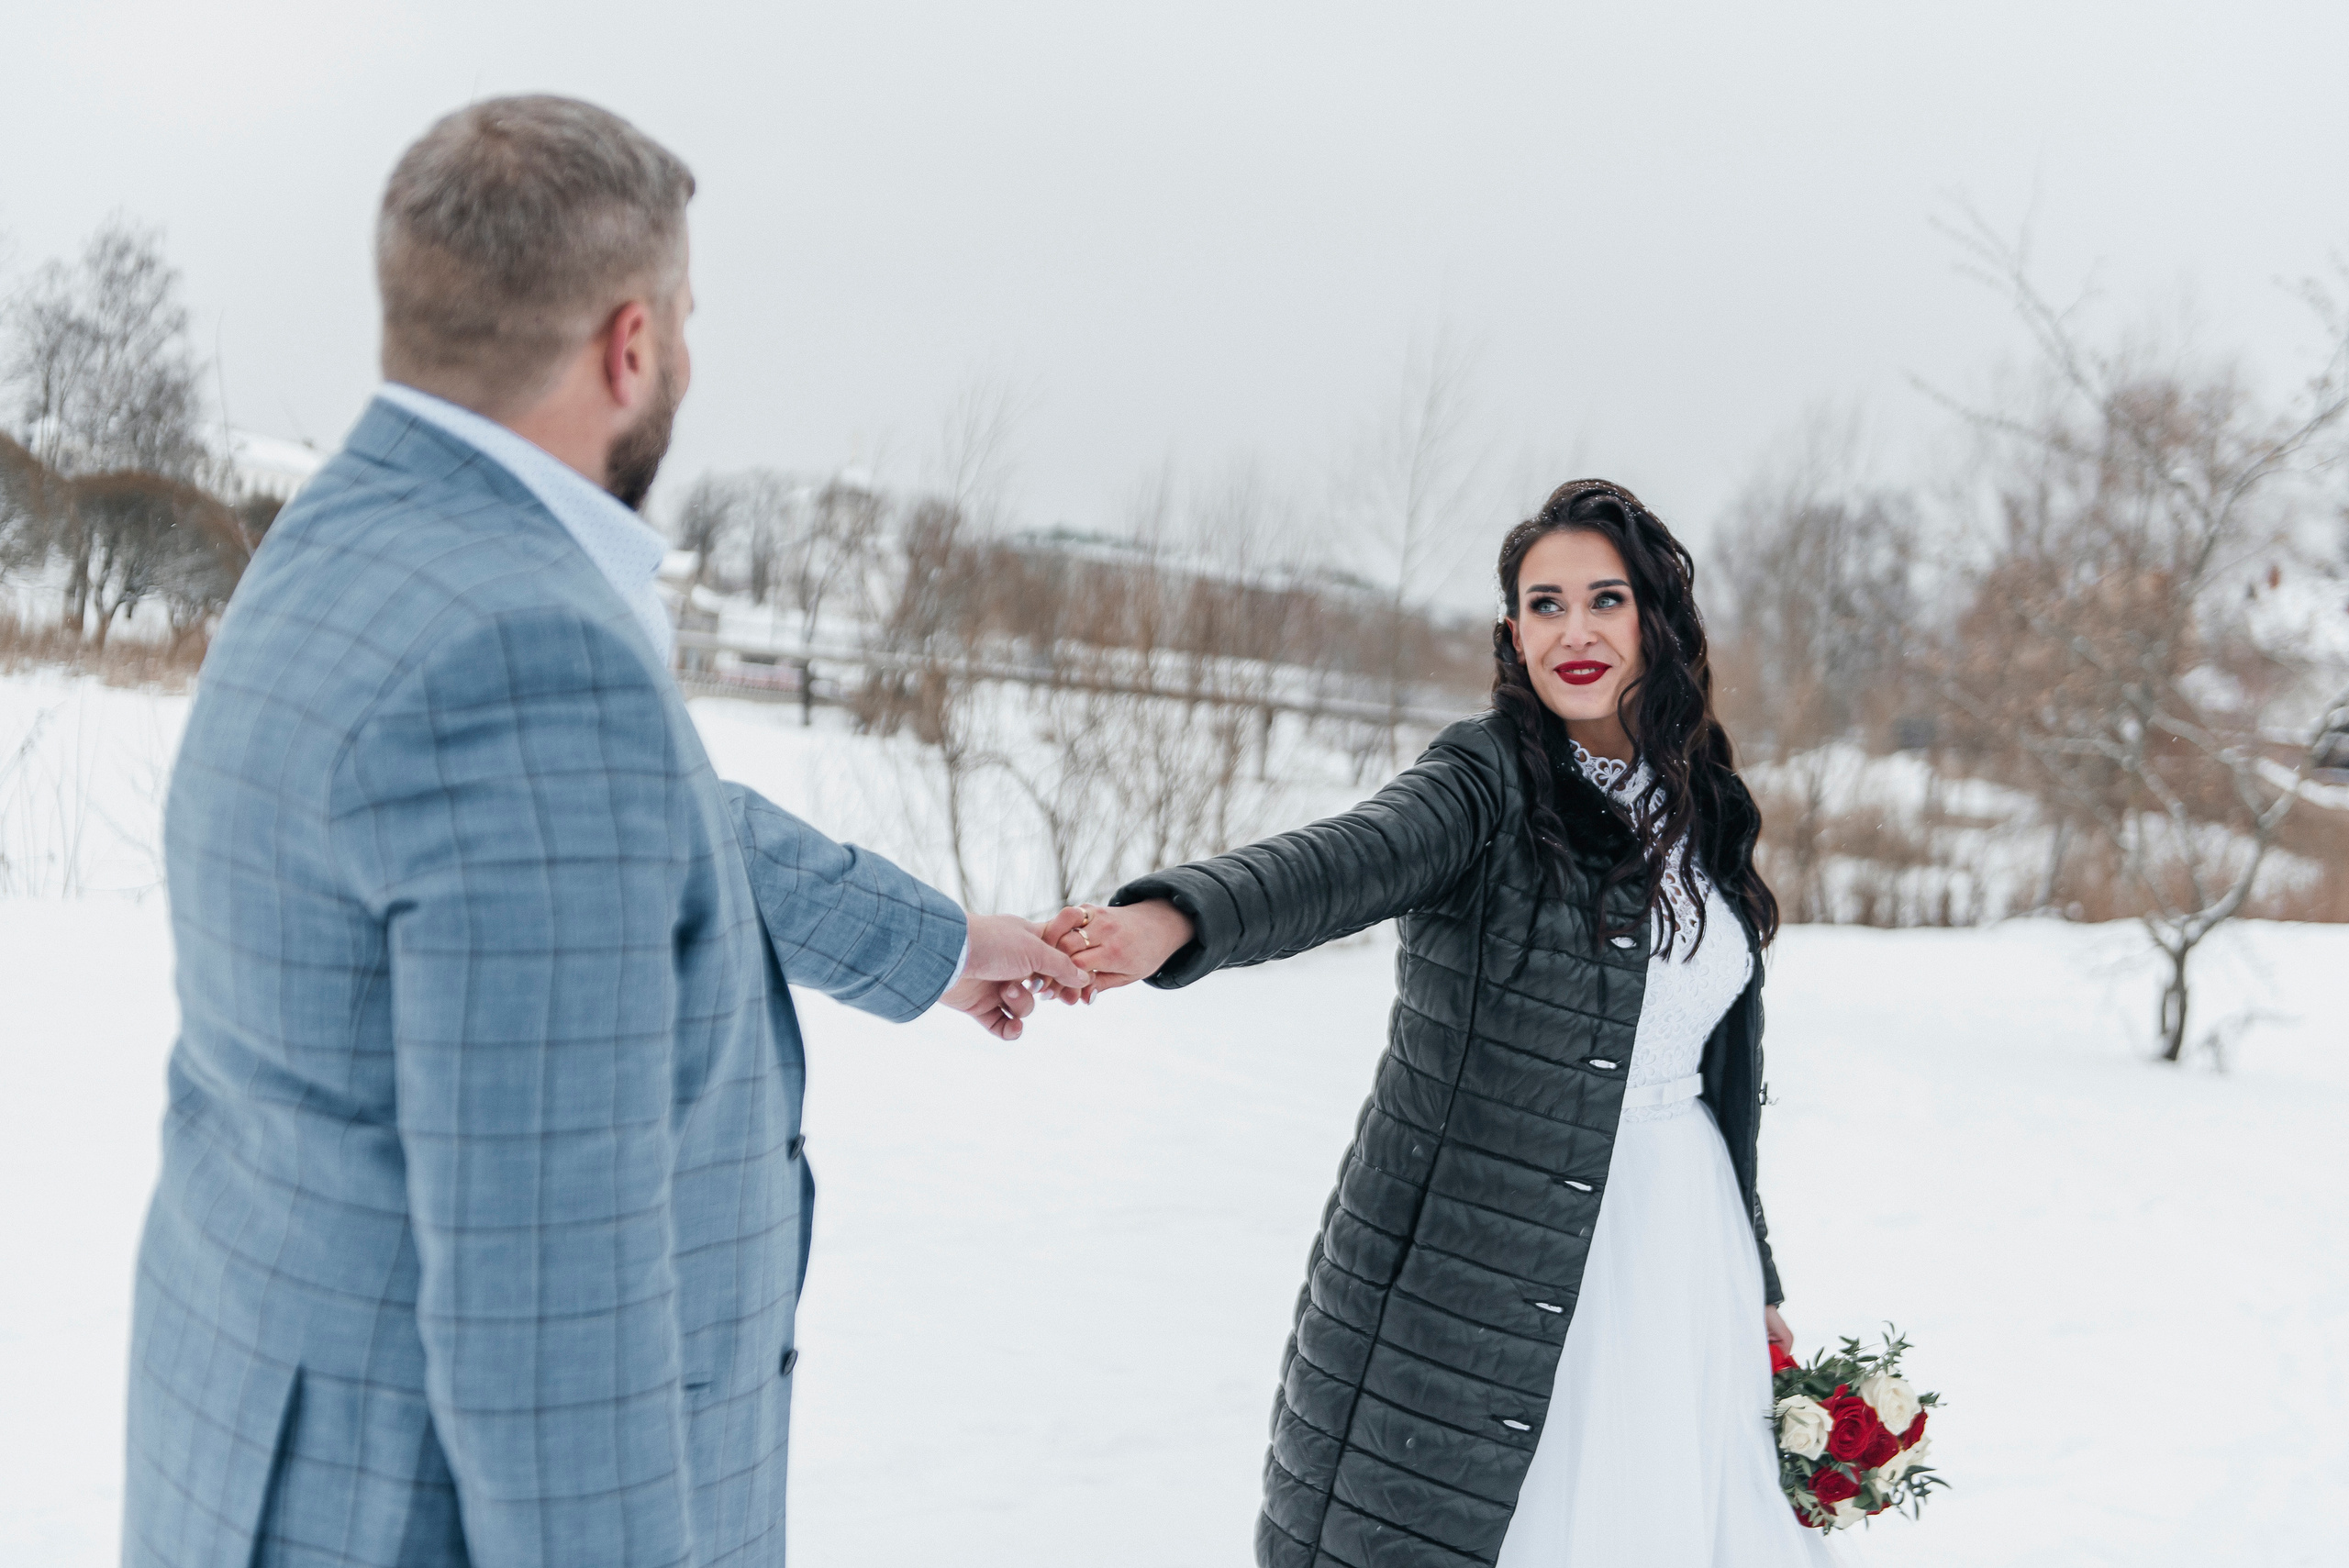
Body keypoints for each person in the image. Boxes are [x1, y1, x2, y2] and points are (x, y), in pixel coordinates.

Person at [125, 96, 1089, 1568]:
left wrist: (933, 944)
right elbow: (545, 1315)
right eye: (690, 317)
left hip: (268, 1453)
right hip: (426, 1509)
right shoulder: (524, 650)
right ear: (631, 343)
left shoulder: (354, 539)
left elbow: (633, 817)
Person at [1046, 481, 1839, 1565]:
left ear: (1657, 619)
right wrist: (1172, 919)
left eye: (1603, 598)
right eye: (1543, 603)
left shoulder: (1702, 800)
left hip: (1685, 1244)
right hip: (1509, 1243)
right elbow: (1346, 857)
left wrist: (1757, 1273)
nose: (1573, 630)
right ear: (1512, 630)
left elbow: (1716, 1072)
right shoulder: (1488, 777)